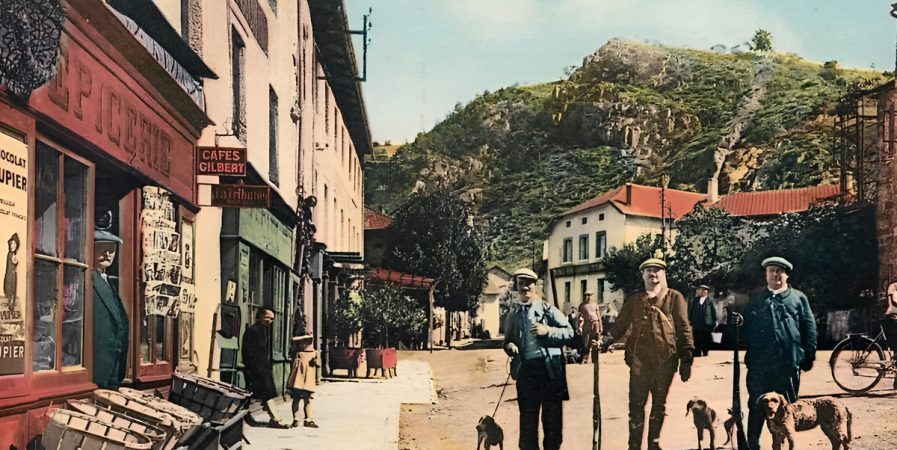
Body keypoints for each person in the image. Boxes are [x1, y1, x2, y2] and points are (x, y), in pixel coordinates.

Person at [605, 257, 694, 450]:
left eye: (657, 270)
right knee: (636, 405)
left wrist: (686, 358)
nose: (653, 274)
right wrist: (604, 340)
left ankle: (654, 443)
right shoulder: (635, 300)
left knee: (659, 405)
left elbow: (683, 328)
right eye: (649, 271)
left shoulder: (674, 297)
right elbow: (620, 325)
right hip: (639, 361)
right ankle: (634, 445)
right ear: (643, 275)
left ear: (663, 275)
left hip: (665, 361)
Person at [744, 256, 816, 450]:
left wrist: (808, 356)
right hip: (759, 365)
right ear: (766, 275)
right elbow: (746, 328)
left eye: (779, 271)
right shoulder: (757, 298)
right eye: (771, 271)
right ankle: (753, 444)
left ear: (786, 275)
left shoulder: (798, 298)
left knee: (786, 408)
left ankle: (783, 445)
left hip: (787, 363)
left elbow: (809, 329)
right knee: (756, 404)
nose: (775, 275)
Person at [503, 267, 573, 450]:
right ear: (517, 287)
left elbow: (569, 332)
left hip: (550, 370)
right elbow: (507, 340)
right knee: (527, 423)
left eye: (529, 284)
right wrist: (510, 347)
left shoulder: (548, 309)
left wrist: (548, 331)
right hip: (526, 370)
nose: (525, 287)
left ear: (536, 286)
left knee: (552, 424)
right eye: (521, 284)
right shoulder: (514, 314)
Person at [92, 230, 129, 390]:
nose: (107, 254)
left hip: (113, 365)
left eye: (111, 249)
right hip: (97, 367)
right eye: (102, 247)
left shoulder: (107, 280)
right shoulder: (86, 278)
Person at [242, 308, 282, 425]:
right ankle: (275, 419)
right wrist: (253, 367)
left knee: (258, 394)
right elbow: (248, 351)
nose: (270, 321)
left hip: (263, 368)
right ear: (259, 317)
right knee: (257, 394)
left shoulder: (265, 331)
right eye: (267, 317)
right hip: (256, 368)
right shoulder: (253, 331)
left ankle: (247, 416)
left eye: (272, 319)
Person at [287, 334, 318, 428]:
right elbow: (293, 340)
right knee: (296, 399)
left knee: (307, 400)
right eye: (303, 342)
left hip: (308, 380)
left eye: (308, 342)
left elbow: (318, 364)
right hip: (297, 380)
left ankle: (308, 419)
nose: (305, 344)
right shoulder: (297, 353)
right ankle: (296, 419)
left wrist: (315, 361)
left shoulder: (314, 353)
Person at [688, 284, 718, 357]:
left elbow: (713, 311)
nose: (701, 292)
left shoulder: (710, 301)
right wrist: (690, 320)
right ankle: (697, 352)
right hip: (696, 322)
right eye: (700, 290)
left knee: (705, 337)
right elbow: (691, 311)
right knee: (697, 337)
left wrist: (715, 321)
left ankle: (705, 351)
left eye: (703, 290)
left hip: (706, 323)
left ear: (706, 292)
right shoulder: (695, 300)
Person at [578, 291, 602, 364]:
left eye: (590, 295)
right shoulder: (582, 305)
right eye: (587, 295)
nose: (588, 297)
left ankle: (595, 359)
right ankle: (585, 358)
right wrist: (579, 326)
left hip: (595, 323)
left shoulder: (595, 305)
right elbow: (579, 316)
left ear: (592, 296)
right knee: (585, 342)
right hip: (586, 324)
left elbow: (598, 316)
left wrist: (600, 326)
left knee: (595, 341)